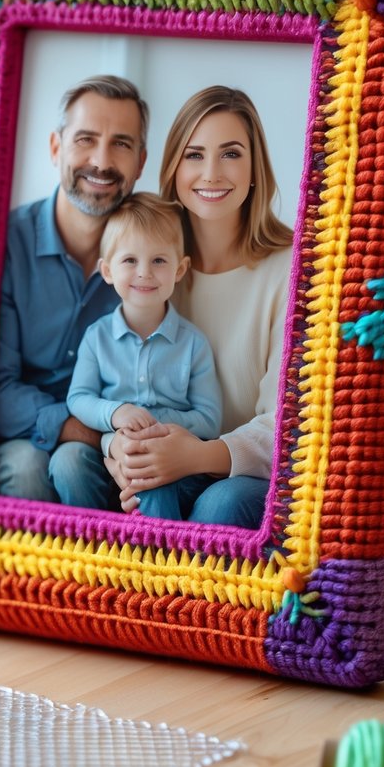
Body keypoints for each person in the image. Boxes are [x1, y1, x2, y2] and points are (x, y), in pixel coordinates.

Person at [106, 86, 294, 528]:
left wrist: (199, 456)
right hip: (164, 462)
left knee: (220, 505)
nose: (211, 173)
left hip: (248, 474)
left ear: (254, 171)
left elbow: (291, 423)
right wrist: (120, 452)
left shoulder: (293, 269)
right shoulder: (149, 265)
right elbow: (114, 377)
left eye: (230, 154)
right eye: (194, 155)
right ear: (173, 168)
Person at [0, 75, 148, 501]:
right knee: (26, 466)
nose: (101, 160)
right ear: (56, 147)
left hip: (112, 439)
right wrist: (78, 429)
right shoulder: (3, 243)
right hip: (25, 433)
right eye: (86, 139)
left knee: (73, 463)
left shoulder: (153, 254)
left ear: (141, 162)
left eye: (121, 144)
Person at [49, 193, 222, 512]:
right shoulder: (97, 337)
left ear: (180, 269)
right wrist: (117, 414)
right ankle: (89, 548)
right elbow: (78, 398)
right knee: (67, 463)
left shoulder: (193, 343)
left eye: (159, 260)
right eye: (130, 260)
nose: (145, 272)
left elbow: (210, 420)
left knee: (154, 484)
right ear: (108, 270)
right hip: (110, 452)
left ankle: (155, 558)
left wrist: (154, 426)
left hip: (173, 461)